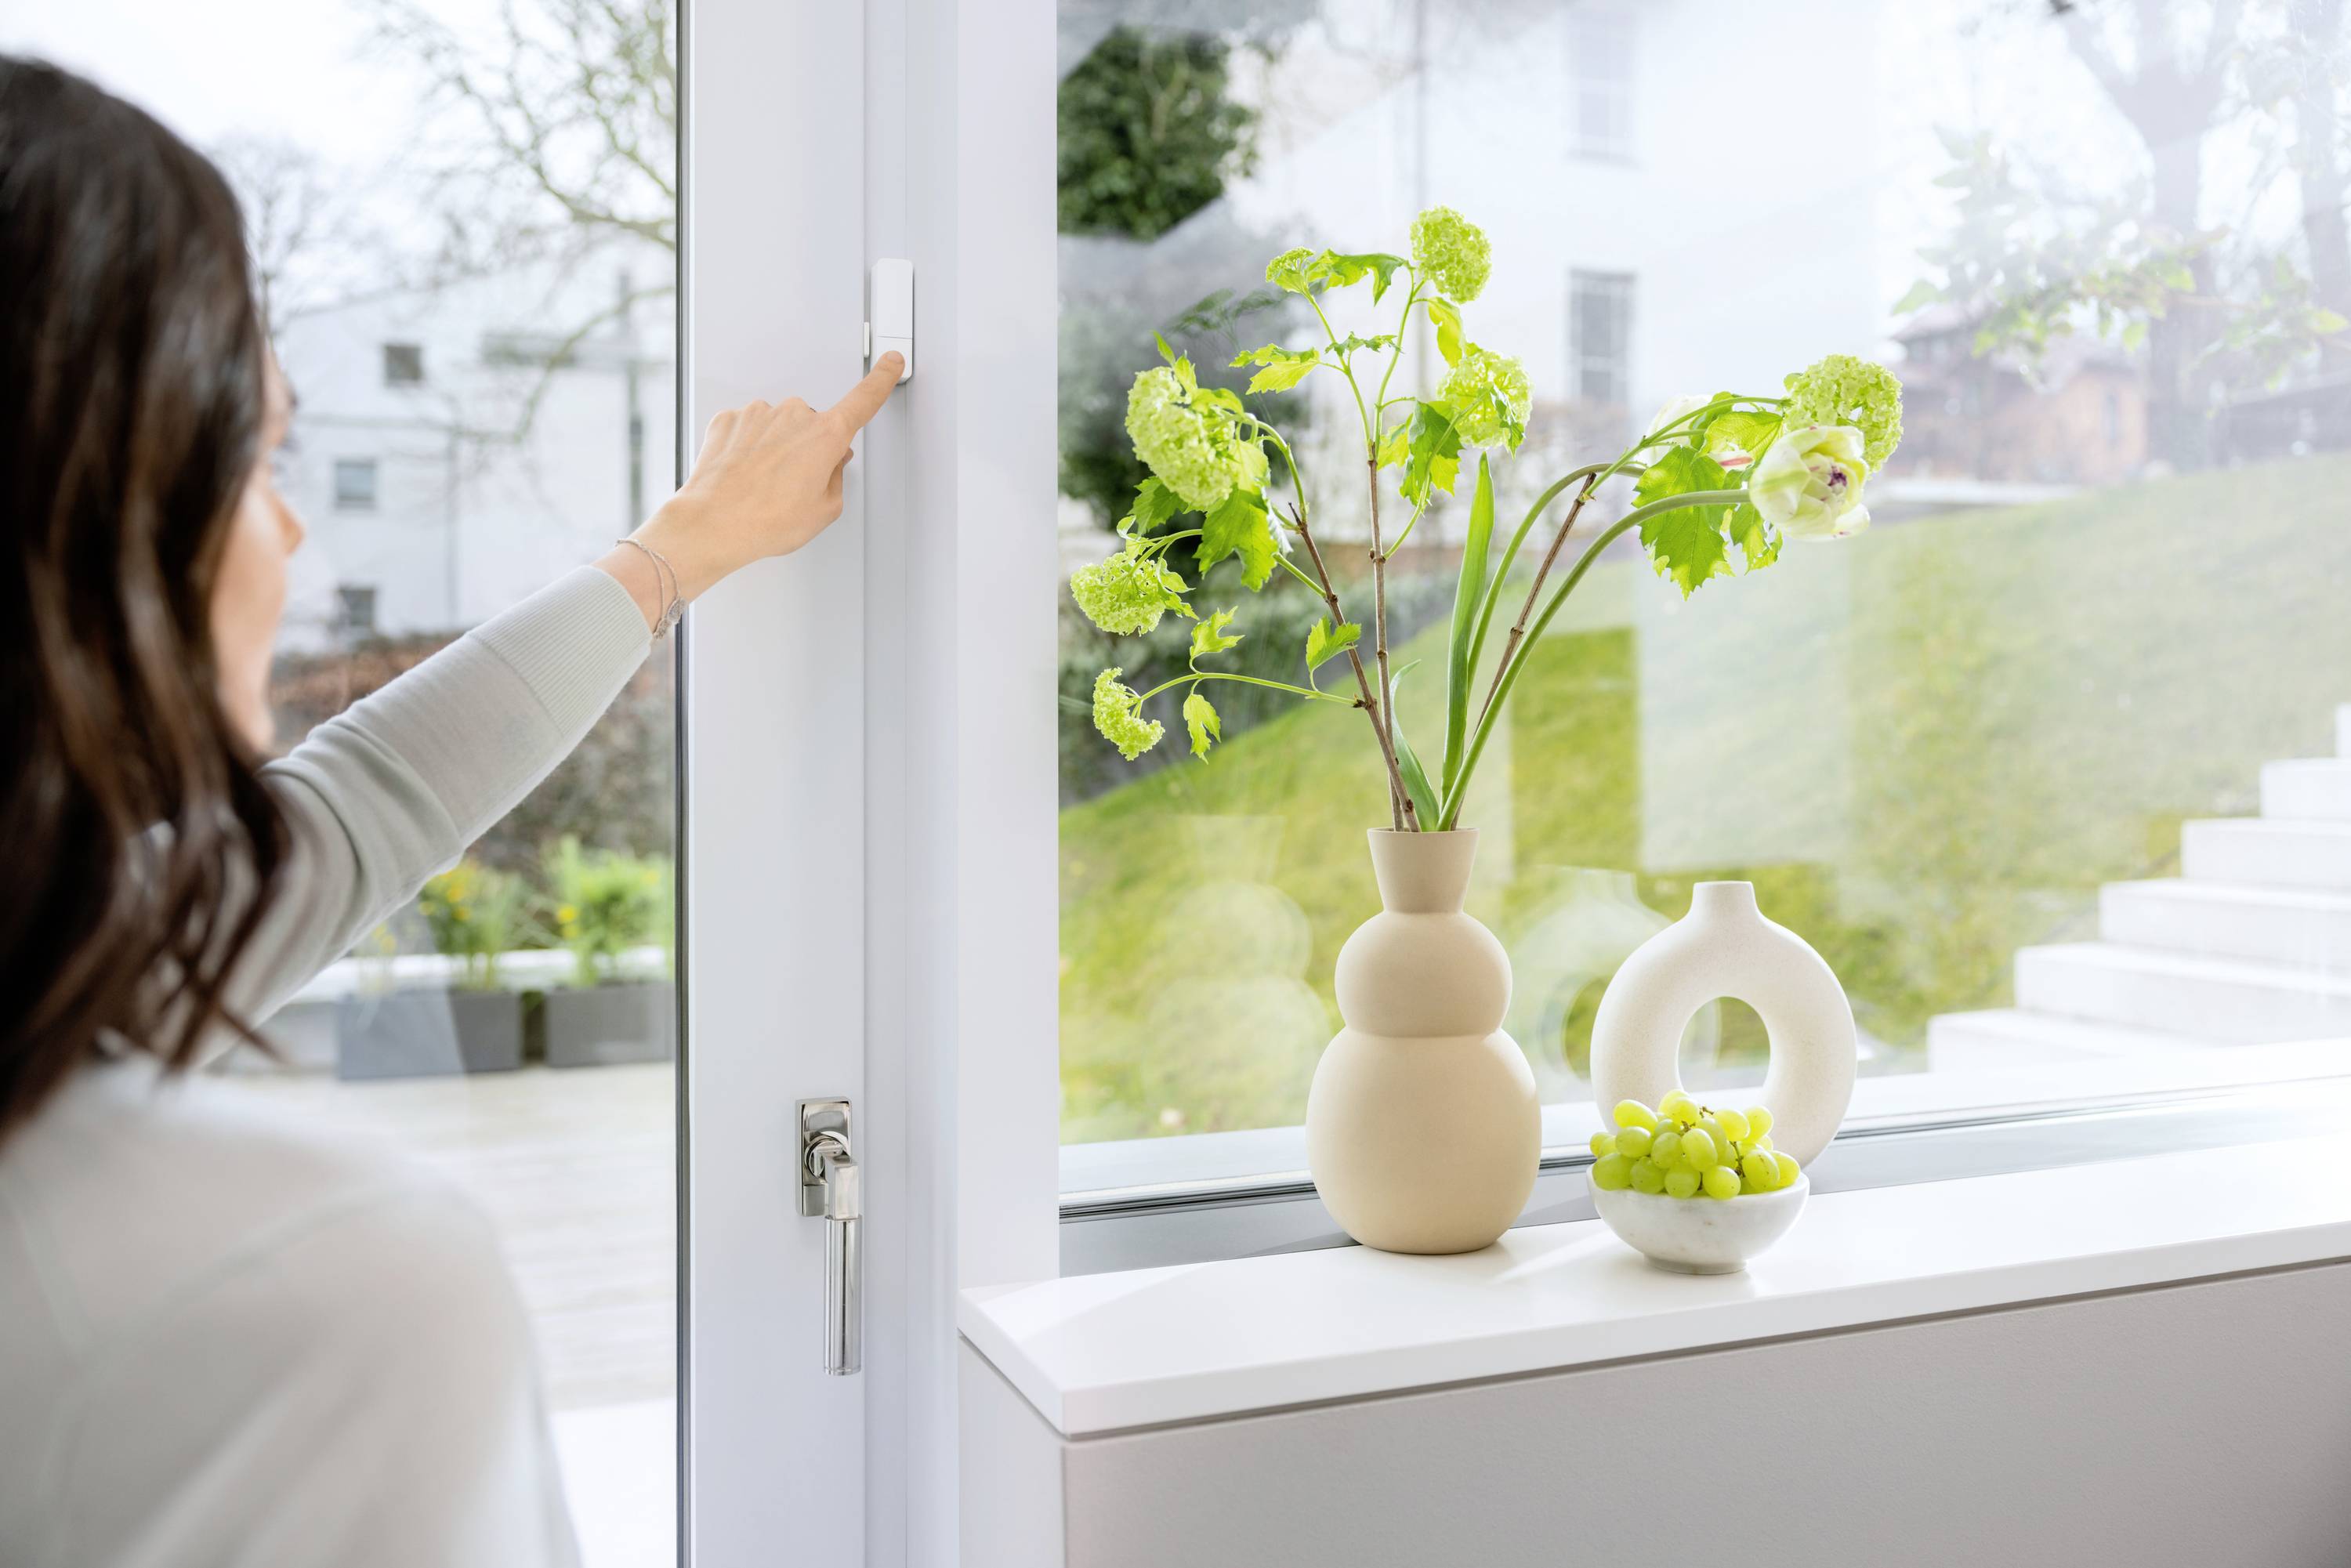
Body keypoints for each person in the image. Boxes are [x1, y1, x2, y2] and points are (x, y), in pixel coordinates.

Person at [0, 57, 900, 1566]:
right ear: (87, 520)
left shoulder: (59, 953)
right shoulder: (320, 1301)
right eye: (256, 456)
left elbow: (353, 814)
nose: (288, 530)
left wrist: (672, 556)